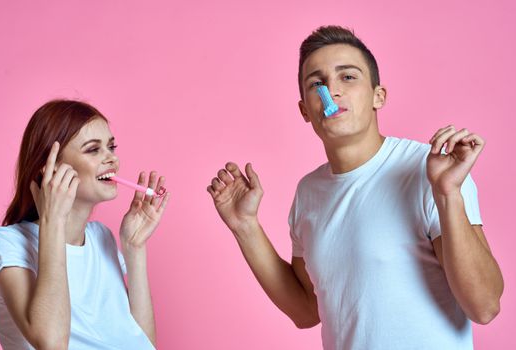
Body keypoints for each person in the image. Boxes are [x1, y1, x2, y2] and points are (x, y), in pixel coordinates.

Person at [207, 25, 503, 349]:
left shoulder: (429, 170)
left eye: (347, 77)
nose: (331, 91)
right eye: (317, 83)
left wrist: (447, 193)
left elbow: (484, 306)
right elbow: (306, 310)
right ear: (305, 110)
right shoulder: (308, 193)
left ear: (379, 96)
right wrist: (245, 226)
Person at [0, 100, 169, 349]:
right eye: (93, 150)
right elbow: (50, 343)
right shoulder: (6, 245)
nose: (112, 159)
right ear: (50, 169)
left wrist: (134, 247)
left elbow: (143, 344)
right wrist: (53, 221)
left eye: (111, 147)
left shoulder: (101, 238)